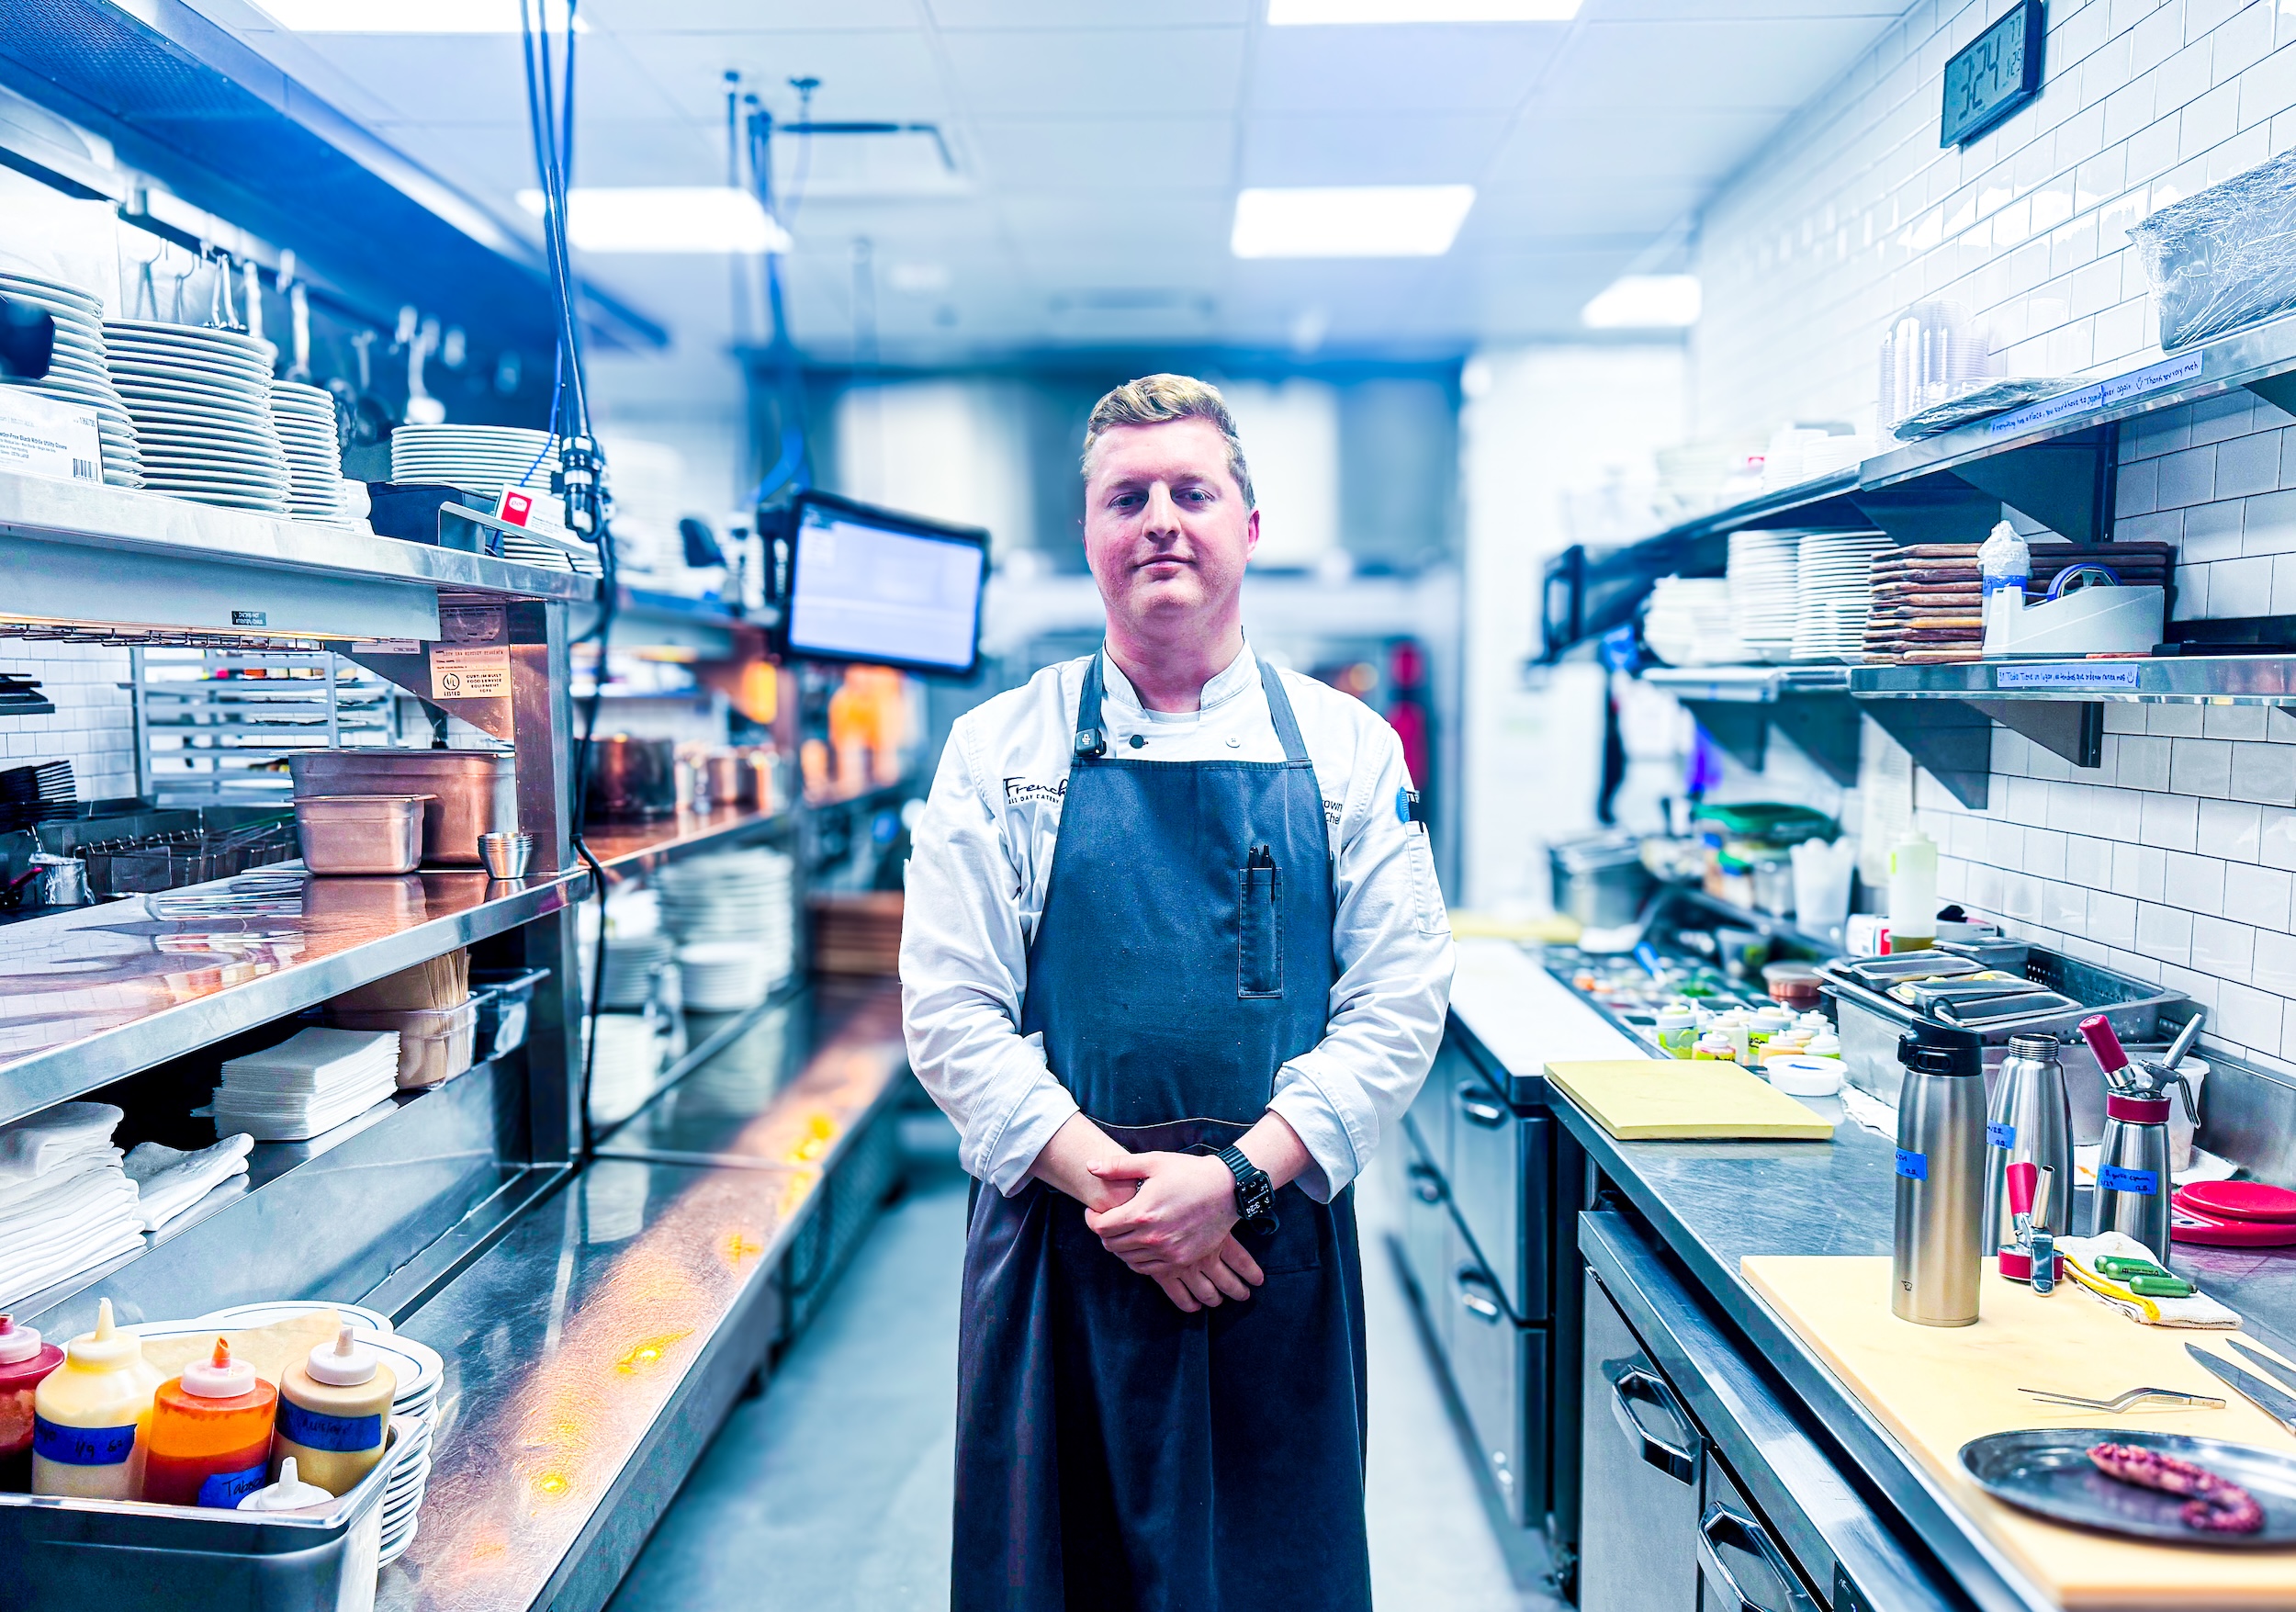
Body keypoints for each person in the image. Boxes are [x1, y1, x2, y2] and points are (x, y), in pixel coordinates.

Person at [901, 374, 1455, 1610]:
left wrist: (1236, 1181)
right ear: (1089, 536)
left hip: (1271, 1254)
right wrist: (1131, 1202)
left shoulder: (1351, 749)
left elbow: (1401, 998)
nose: (1160, 520)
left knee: (1270, 1573)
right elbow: (949, 1015)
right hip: (1067, 1247)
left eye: (1191, 492)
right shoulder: (1000, 750)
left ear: (1248, 528)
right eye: (1126, 497)